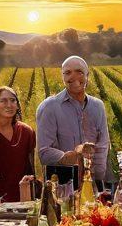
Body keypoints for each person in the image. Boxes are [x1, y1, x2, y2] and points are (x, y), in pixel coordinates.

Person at [36, 55, 110, 186]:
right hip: (63, 185)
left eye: (79, 72)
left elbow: (103, 145)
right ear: (62, 77)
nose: (73, 77)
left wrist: (98, 179)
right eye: (68, 73)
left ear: (88, 75)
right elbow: (44, 152)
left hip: (94, 184)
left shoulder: (98, 106)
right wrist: (71, 157)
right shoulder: (49, 107)